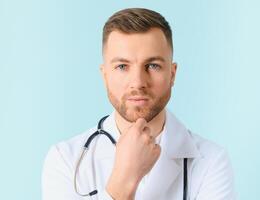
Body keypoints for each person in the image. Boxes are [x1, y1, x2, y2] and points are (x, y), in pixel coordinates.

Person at [42, 8, 236, 200]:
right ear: (105, 76)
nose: (138, 82)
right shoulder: (66, 160)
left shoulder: (212, 161)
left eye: (152, 65)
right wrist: (125, 179)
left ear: (172, 74)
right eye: (122, 66)